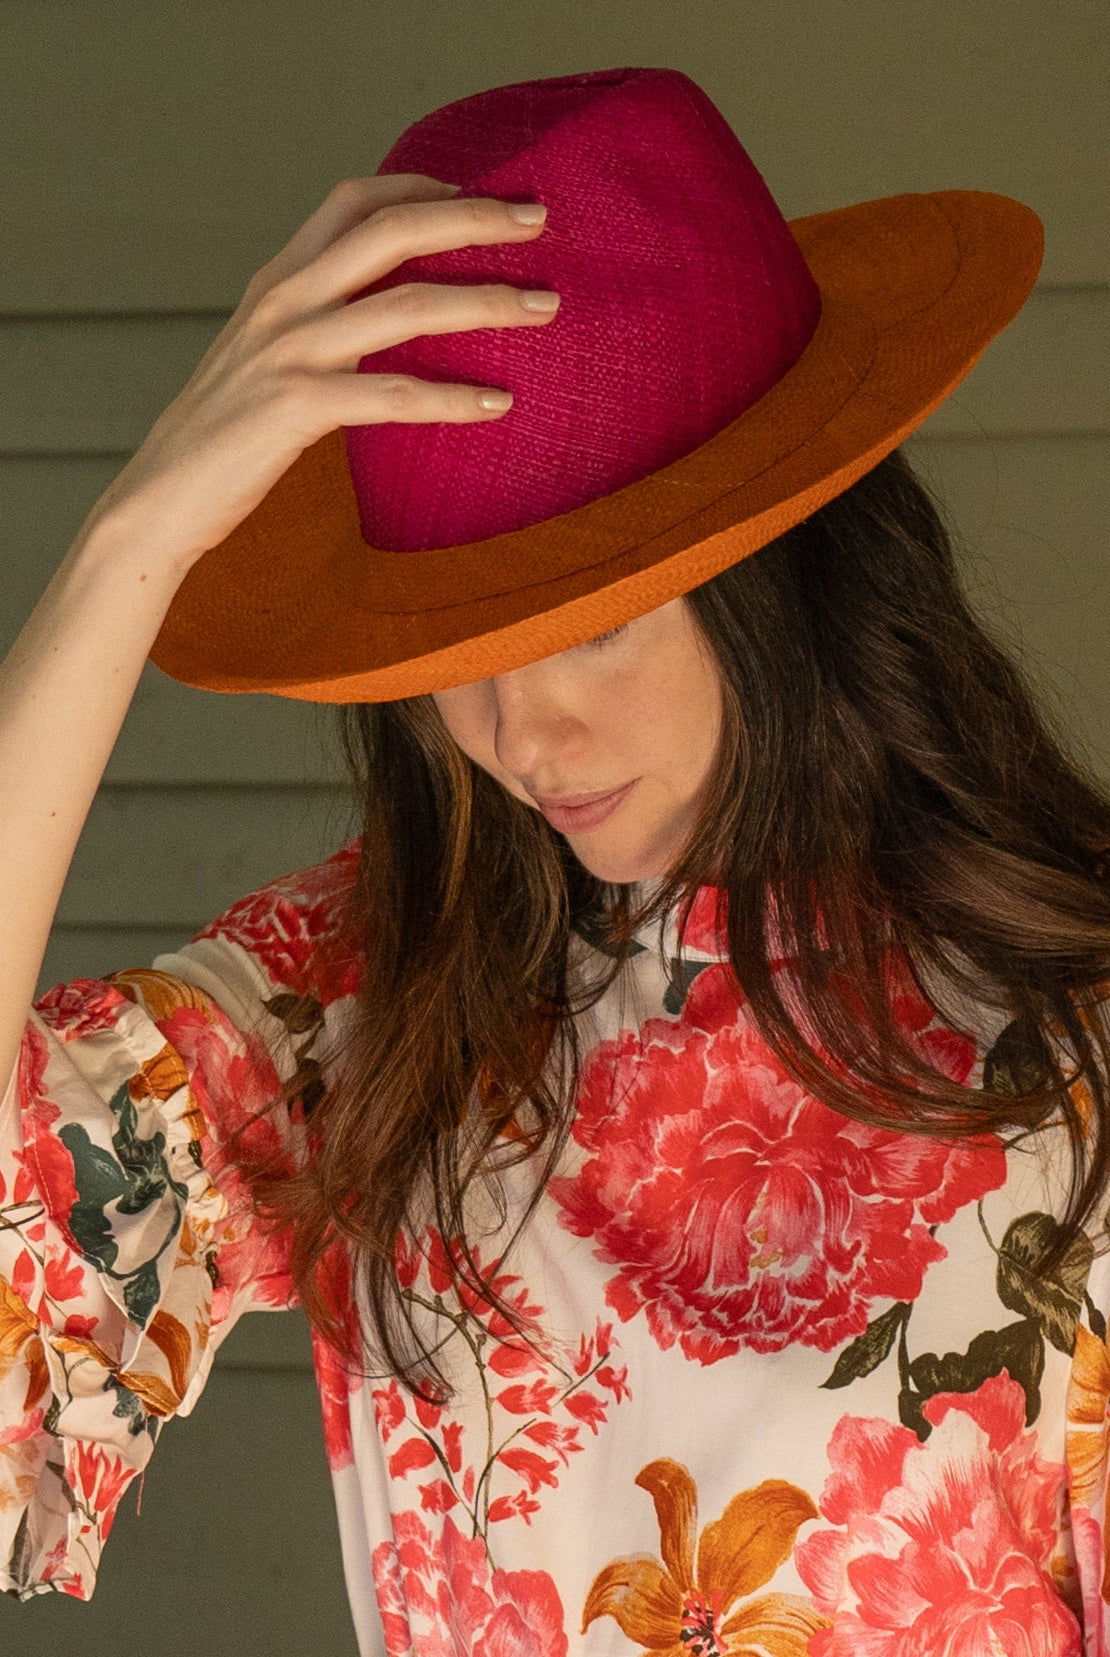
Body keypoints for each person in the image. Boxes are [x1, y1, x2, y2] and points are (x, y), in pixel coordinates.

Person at [1, 63, 1109, 1657]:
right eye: (460, 647)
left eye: (586, 623)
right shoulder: (389, 991)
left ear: (772, 558)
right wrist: (129, 548)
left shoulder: (1063, 1055)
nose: (520, 736)